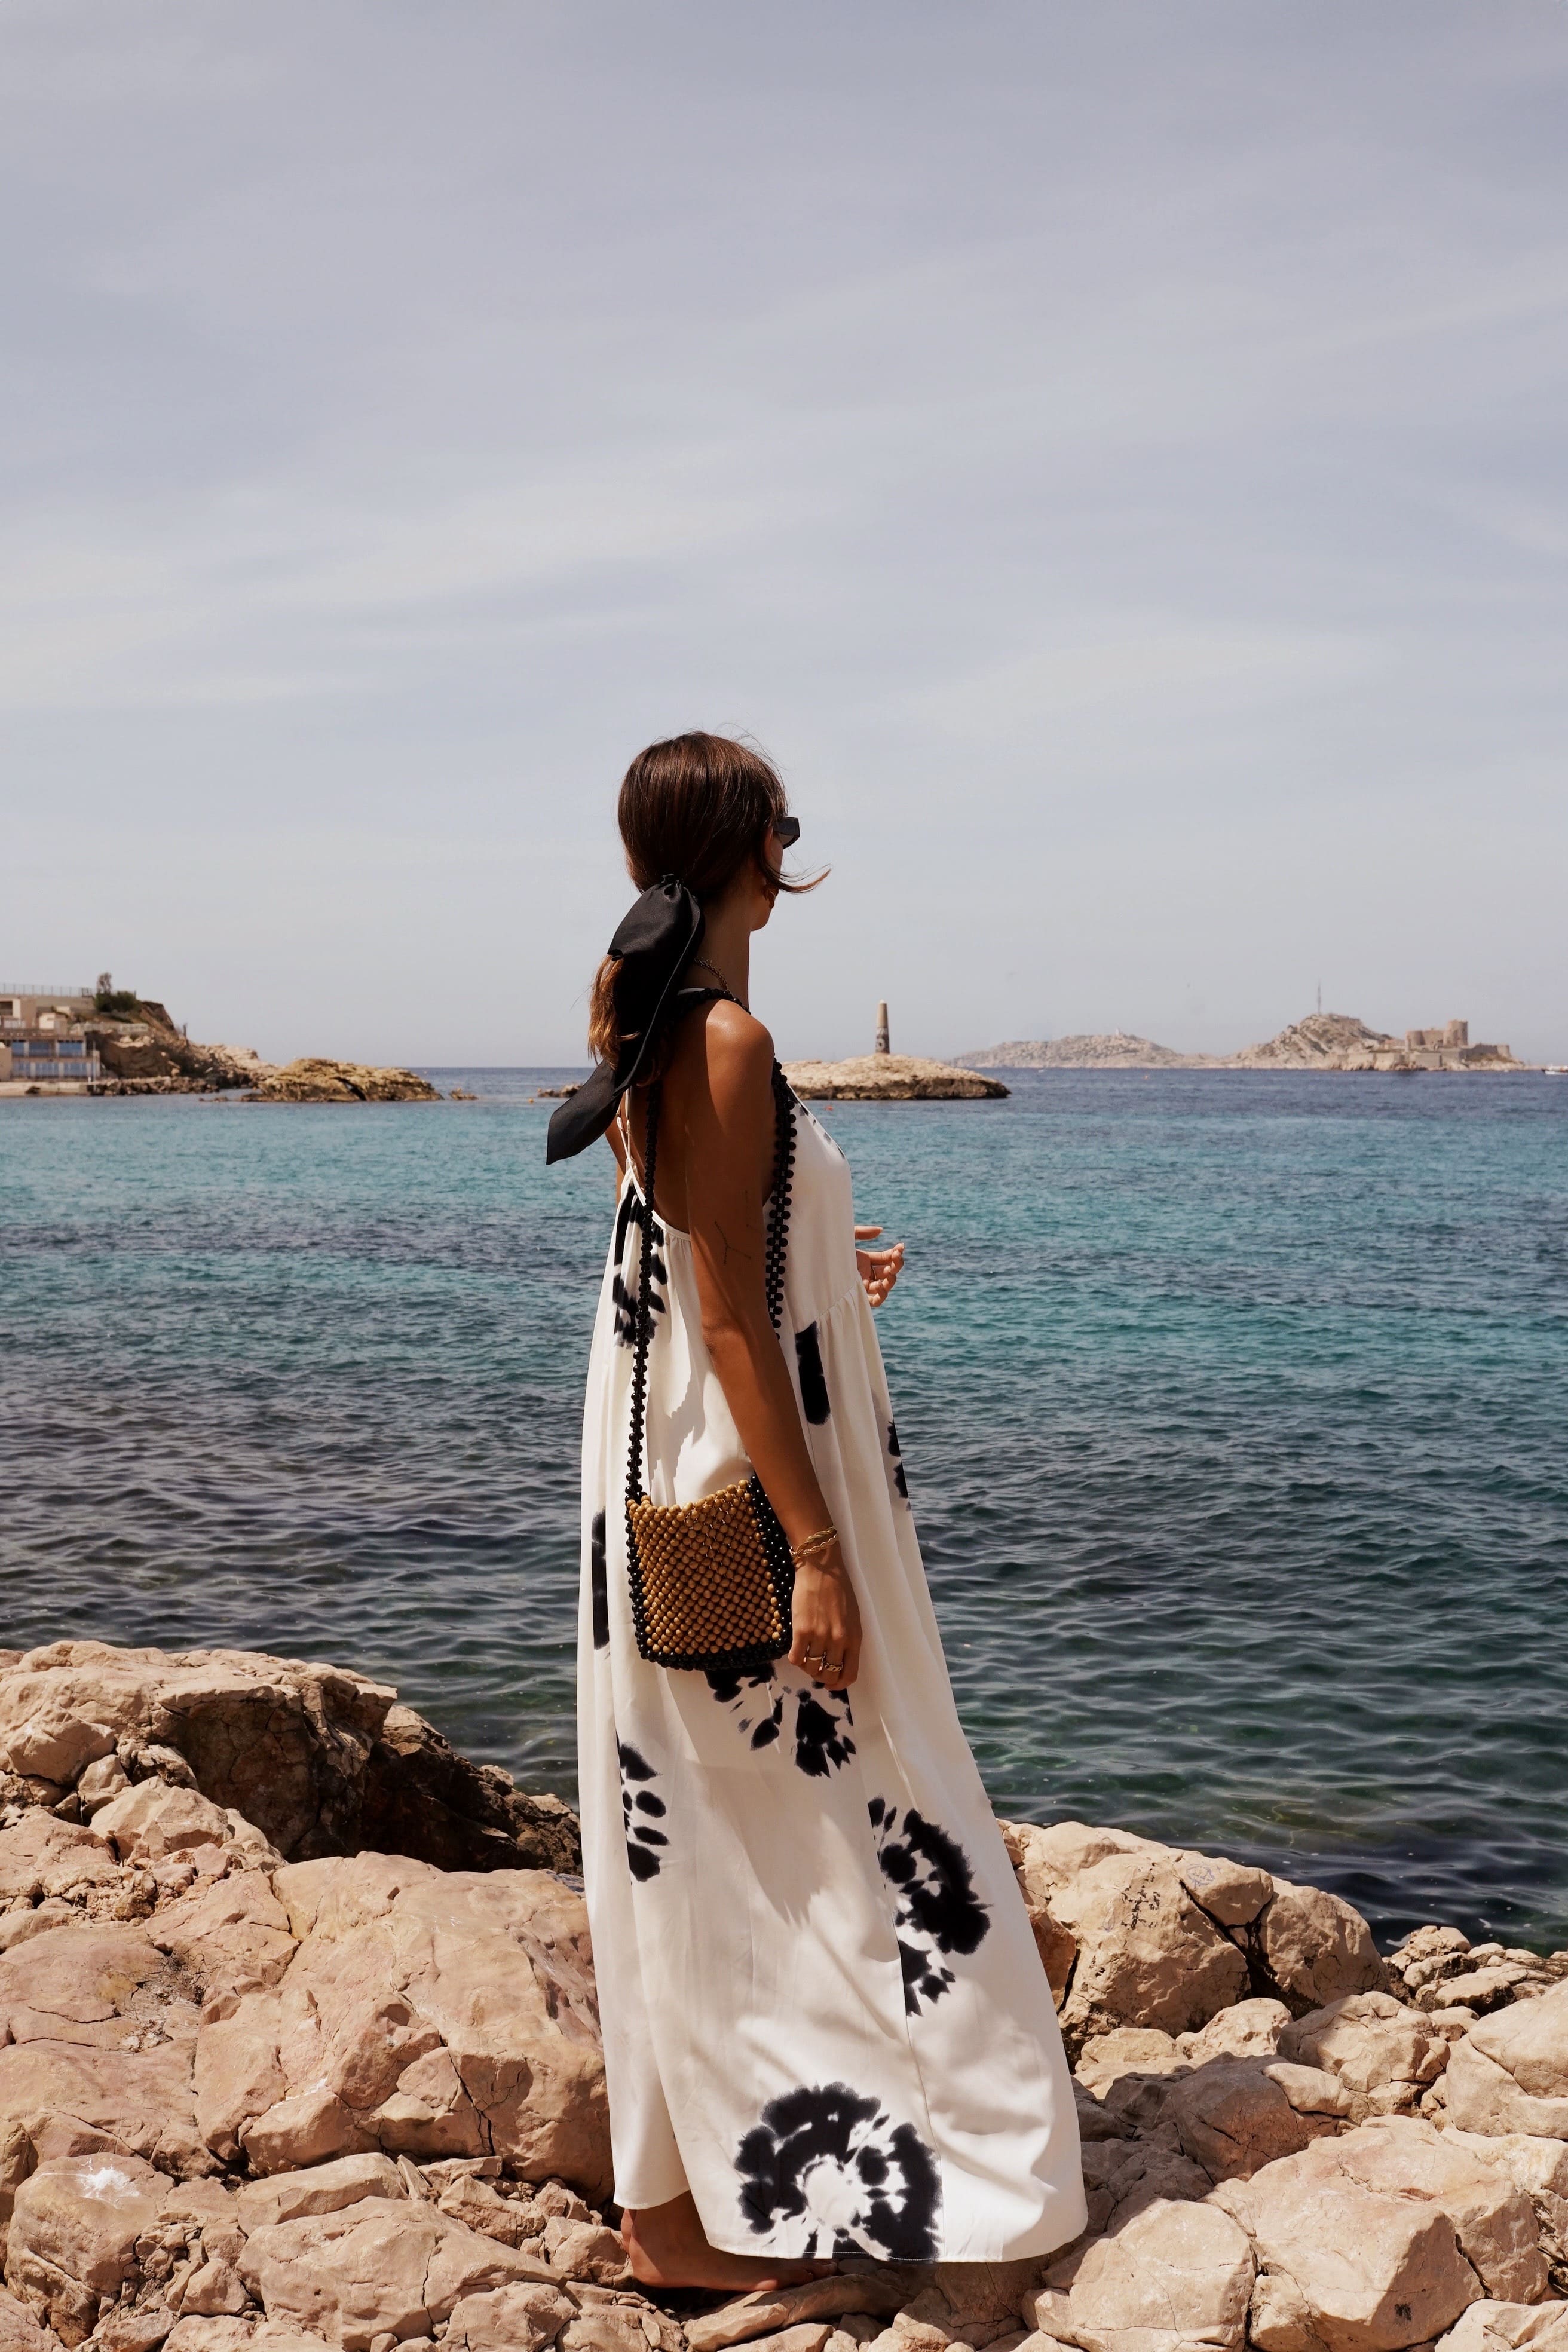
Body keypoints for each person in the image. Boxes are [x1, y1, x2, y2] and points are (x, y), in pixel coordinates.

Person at [549, 733, 1084, 2290]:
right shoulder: (718, 1036)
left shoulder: (645, 1011)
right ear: (743, 850)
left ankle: (672, 2206)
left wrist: (826, 1285)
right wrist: (823, 1555)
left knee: (710, 1823)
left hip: (687, 1452)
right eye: (783, 821)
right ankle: (730, 2201)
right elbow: (719, 1320)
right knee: (838, 1807)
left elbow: (706, 1248)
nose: (795, 844)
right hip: (738, 1481)